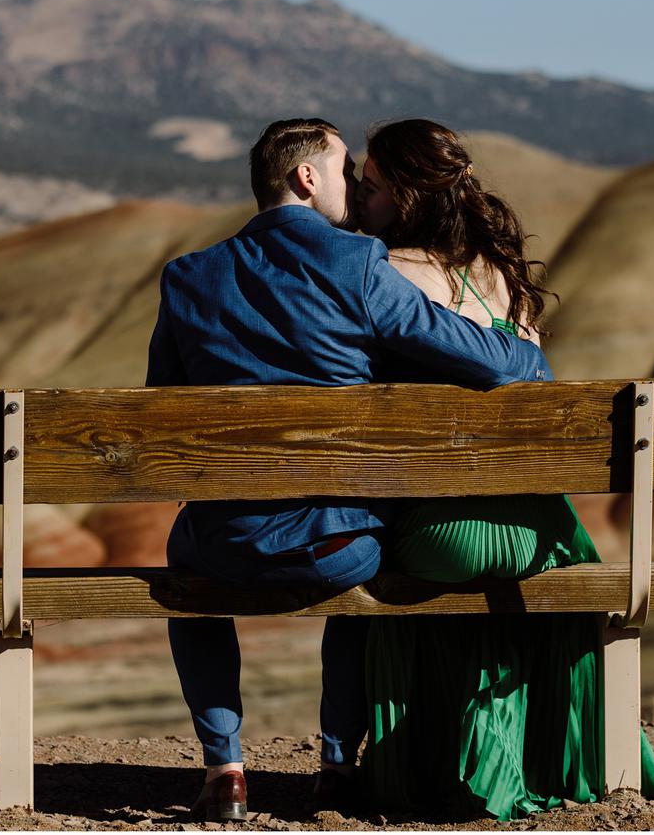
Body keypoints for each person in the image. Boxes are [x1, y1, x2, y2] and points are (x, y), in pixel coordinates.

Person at [145, 117, 551, 822]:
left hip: (224, 546)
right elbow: (482, 359)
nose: (353, 188)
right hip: (339, 547)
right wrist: (523, 347)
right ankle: (337, 766)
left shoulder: (188, 277)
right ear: (307, 178)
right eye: (344, 172)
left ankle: (225, 768)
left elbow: (159, 413)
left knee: (189, 574)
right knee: (363, 539)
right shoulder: (359, 266)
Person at [353, 118, 654, 820]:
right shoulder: (501, 276)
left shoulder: (380, 274)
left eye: (372, 187)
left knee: (391, 555)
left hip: (438, 536)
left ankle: (429, 764)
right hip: (537, 535)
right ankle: (541, 757)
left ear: (406, 195)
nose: (362, 200)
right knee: (548, 559)